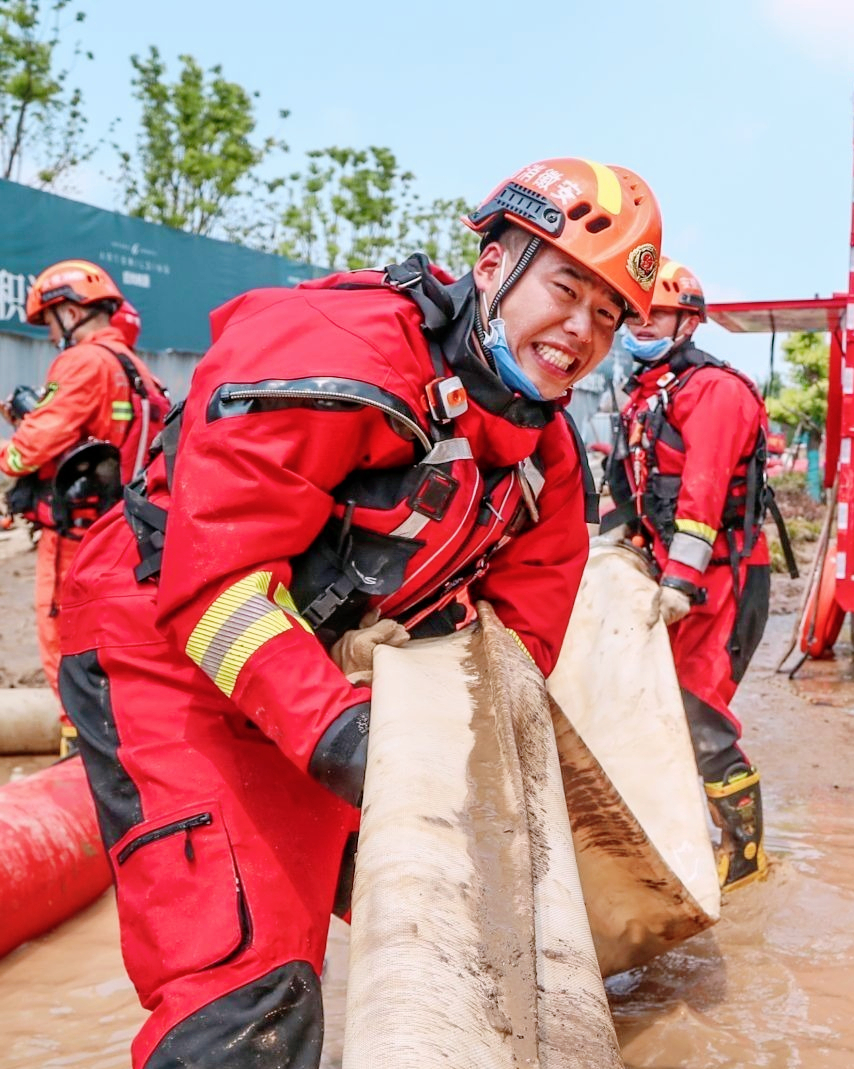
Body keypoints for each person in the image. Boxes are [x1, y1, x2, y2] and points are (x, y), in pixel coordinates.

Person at [57, 158, 662, 1069]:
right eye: (566, 286)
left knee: (450, 920)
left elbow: (515, 644)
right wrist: (357, 743)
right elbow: (211, 591)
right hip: (161, 649)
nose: (581, 329)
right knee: (244, 990)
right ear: (493, 262)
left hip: (319, 678)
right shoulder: (338, 356)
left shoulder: (546, 456)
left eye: (609, 315)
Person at [606, 257, 792, 892]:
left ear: (687, 321)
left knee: (696, 716)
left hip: (722, 581)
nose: (639, 324)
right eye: (632, 312)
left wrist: (681, 581)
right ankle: (675, 835)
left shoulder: (715, 391)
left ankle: (744, 858)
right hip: (671, 581)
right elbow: (628, 492)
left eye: (653, 313)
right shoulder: (645, 395)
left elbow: (703, 495)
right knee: (649, 711)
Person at [5, 261, 168, 734]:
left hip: (76, 539)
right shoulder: (137, 368)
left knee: (65, 645)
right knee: (112, 647)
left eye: (51, 319)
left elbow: (27, 452)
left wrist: (13, 446)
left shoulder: (81, 362)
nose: (52, 331)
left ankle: (77, 750)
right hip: (125, 534)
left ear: (71, 310)